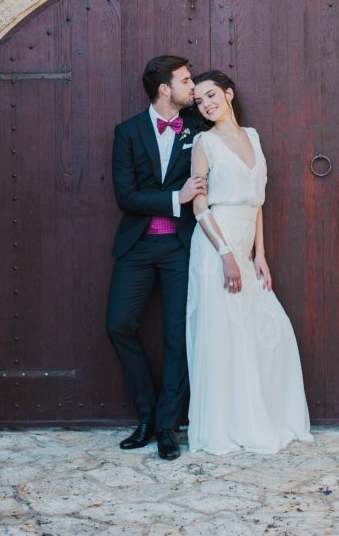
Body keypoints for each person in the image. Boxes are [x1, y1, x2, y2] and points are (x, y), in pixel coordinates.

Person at [187, 70, 313, 454]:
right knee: (226, 337)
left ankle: (264, 418)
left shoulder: (253, 137)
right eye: (199, 101)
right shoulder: (203, 142)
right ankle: (226, 428)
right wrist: (226, 255)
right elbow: (199, 204)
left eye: (211, 95)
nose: (206, 104)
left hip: (244, 248)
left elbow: (257, 201)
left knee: (270, 331)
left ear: (228, 94)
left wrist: (260, 255)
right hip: (215, 247)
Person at [107, 55, 205, 461]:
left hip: (183, 247)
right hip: (139, 246)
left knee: (177, 336)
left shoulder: (199, 129)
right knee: (119, 325)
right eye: (186, 80)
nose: (193, 86)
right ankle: (146, 416)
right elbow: (124, 196)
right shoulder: (127, 132)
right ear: (165, 89)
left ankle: (167, 426)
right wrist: (173, 198)